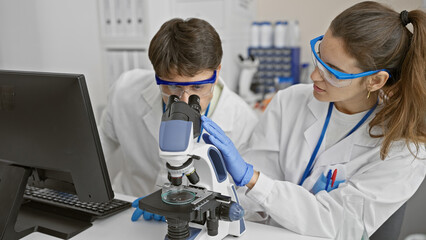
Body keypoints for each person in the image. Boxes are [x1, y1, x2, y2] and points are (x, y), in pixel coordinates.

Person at [201, 1, 426, 238]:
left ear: (375, 81)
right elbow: (249, 200)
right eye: (319, 56)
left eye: (332, 70)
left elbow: (339, 222)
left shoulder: (406, 150)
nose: (314, 75)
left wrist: (254, 180)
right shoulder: (290, 101)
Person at [99, 18, 258, 198]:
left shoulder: (243, 120)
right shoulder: (125, 91)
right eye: (173, 87)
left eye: (197, 87)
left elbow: (246, 201)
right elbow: (97, 151)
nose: (184, 100)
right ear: (157, 75)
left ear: (216, 73)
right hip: (131, 205)